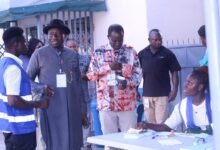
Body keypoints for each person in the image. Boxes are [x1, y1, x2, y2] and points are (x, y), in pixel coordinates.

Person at [27, 19, 87, 150]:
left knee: (73, 143)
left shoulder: (72, 54)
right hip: (51, 107)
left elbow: (79, 84)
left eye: (57, 34)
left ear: (63, 35)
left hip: (72, 108)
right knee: (54, 143)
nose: (53, 37)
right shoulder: (39, 54)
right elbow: (26, 81)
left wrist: (83, 110)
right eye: (50, 34)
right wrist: (41, 88)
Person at [87, 24, 142, 138]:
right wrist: (108, 67)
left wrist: (128, 83)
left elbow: (138, 76)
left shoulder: (131, 52)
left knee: (131, 140)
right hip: (106, 104)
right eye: (114, 40)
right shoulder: (98, 52)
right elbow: (91, 75)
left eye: (120, 40)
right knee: (110, 141)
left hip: (127, 104)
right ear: (108, 37)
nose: (117, 43)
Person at [0, 27, 49, 150]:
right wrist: (38, 104)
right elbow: (13, 100)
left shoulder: (3, 63)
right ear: (15, 45)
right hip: (20, 130)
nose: (26, 44)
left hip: (10, 127)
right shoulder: (13, 68)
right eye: (23, 41)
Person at [138, 67, 212, 135]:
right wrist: (147, 125)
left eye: (190, 83)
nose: (185, 85)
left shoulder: (214, 104)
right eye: (186, 81)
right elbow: (166, 127)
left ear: (200, 87)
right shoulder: (183, 105)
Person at [138, 29, 181, 124]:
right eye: (155, 40)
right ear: (149, 40)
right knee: (149, 122)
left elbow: (174, 72)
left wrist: (174, 90)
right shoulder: (142, 54)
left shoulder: (167, 54)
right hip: (147, 96)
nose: (159, 42)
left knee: (161, 123)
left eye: (160, 39)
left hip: (162, 96)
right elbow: (137, 73)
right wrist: (135, 90)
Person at [66, 38, 91, 149]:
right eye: (70, 47)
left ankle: (86, 145)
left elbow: (81, 74)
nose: (72, 49)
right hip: (69, 99)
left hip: (84, 97)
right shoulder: (62, 61)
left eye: (74, 46)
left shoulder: (85, 59)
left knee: (86, 124)